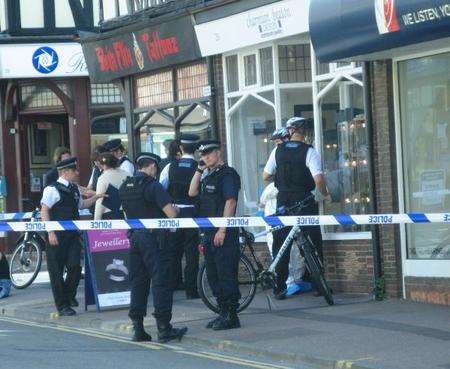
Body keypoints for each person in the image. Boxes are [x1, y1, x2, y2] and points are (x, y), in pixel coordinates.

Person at [119, 152, 187, 343]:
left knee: (138, 282)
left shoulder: (125, 186)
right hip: (155, 239)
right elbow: (171, 214)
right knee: (161, 282)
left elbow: (126, 214)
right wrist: (177, 209)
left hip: (135, 238)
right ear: (152, 167)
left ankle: (138, 328)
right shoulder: (152, 185)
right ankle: (164, 328)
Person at [263, 117, 330, 300]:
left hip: (284, 200)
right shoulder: (310, 152)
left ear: (289, 131)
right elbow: (318, 180)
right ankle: (319, 285)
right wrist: (324, 193)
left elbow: (266, 175)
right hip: (304, 200)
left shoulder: (277, 150)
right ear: (304, 131)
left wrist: (283, 178)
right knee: (312, 240)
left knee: (280, 243)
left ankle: (279, 287)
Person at [40, 157, 105, 316]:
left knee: (75, 267)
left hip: (72, 236)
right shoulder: (52, 189)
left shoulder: (74, 189)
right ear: (64, 172)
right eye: (74, 170)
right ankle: (62, 306)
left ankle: (68, 297)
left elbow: (81, 205)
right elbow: (44, 210)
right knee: (56, 271)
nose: (77, 172)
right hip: (57, 236)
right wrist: (50, 232)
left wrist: (96, 198)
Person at [188, 140, 242, 331]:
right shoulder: (208, 176)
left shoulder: (228, 175)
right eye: (203, 155)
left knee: (225, 274)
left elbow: (231, 202)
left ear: (219, 153)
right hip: (208, 232)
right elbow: (192, 192)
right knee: (213, 275)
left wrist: (223, 229)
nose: (206, 157)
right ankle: (222, 312)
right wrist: (199, 169)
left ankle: (231, 315)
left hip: (223, 232)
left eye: (209, 153)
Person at [160, 134, 200, 298]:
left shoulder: (170, 166)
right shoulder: (199, 167)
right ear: (196, 149)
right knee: (191, 252)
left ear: (181, 148)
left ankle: (174, 284)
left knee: (173, 250)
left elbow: (161, 188)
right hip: (192, 212)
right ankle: (191, 290)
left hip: (174, 213)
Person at [94, 153, 129, 220]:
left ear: (104, 165)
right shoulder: (127, 175)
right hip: (127, 213)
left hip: (110, 214)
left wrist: (96, 220)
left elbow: (99, 200)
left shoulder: (102, 178)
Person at [87, 145, 108, 216]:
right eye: (94, 161)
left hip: (107, 208)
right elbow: (89, 187)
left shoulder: (109, 170)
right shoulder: (95, 169)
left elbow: (109, 193)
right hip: (95, 205)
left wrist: (94, 193)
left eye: (97, 161)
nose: (96, 163)